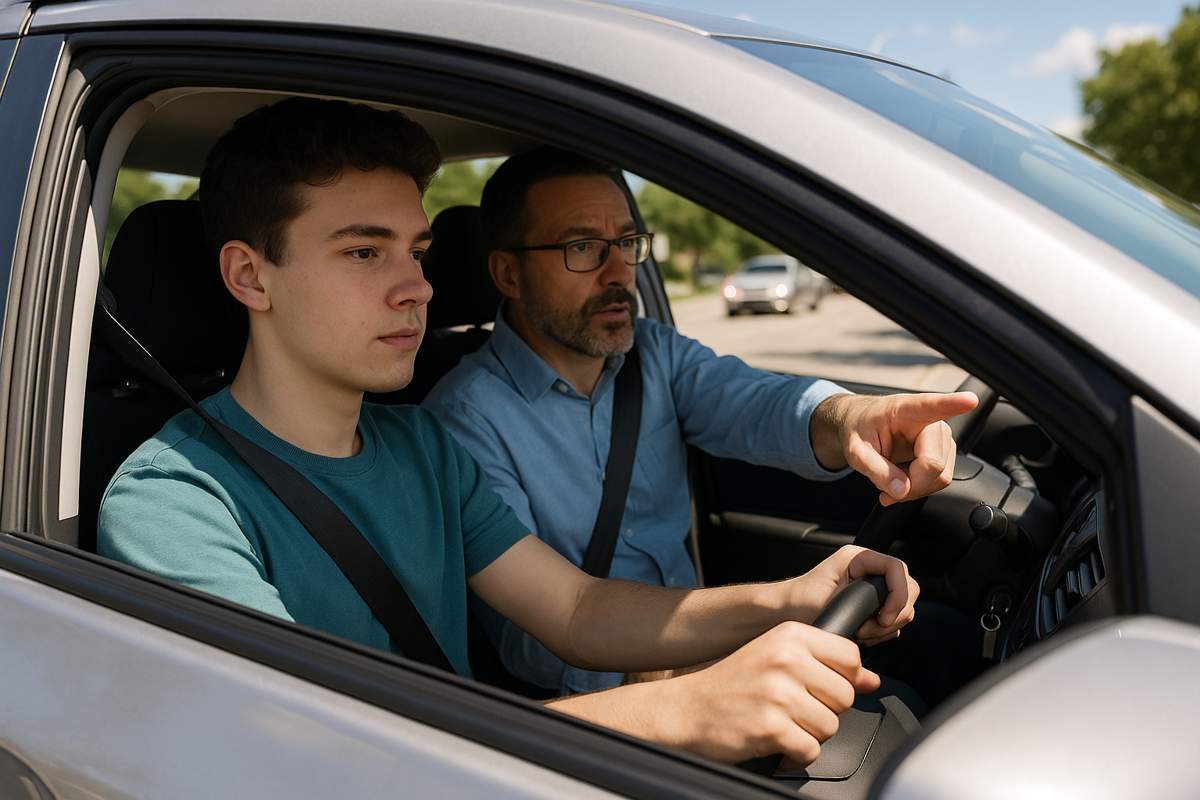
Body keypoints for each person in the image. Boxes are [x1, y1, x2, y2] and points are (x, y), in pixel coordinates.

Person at [98, 98, 919, 768]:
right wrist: (682, 709)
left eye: (416, 251)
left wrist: (794, 597)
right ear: (250, 275)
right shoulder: (173, 500)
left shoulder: (420, 447)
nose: (416, 286)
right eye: (362, 253)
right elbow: (312, 756)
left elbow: (577, 608)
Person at [423, 146, 977, 695]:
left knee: (953, 644)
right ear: (508, 274)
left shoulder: (654, 355)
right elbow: (535, 633)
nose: (621, 273)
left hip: (716, 647)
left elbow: (757, 404)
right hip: (599, 707)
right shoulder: (461, 423)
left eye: (627, 243)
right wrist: (656, 670)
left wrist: (852, 417)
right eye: (583, 246)